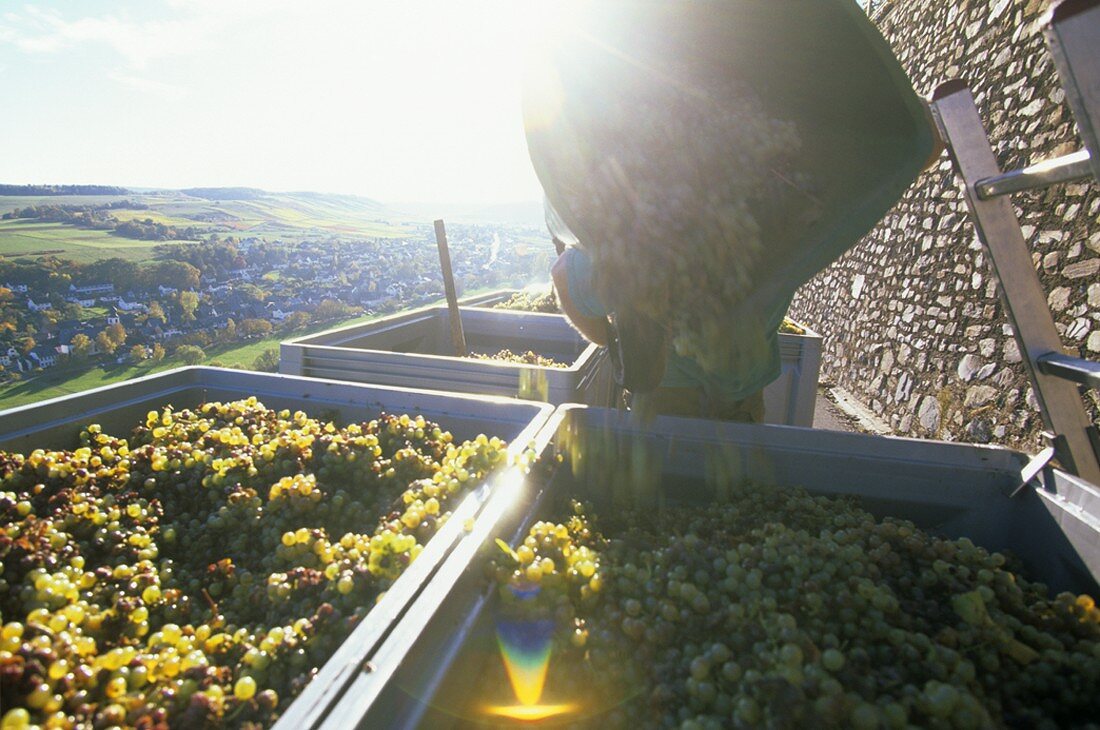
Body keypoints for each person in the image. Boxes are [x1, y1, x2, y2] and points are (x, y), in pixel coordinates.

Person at [551, 239, 790, 423]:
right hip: (743, 385)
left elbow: (564, 271)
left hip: (665, 394)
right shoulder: (786, 218)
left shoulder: (656, 229)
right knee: (736, 477)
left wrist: (610, 338)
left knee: (662, 476)